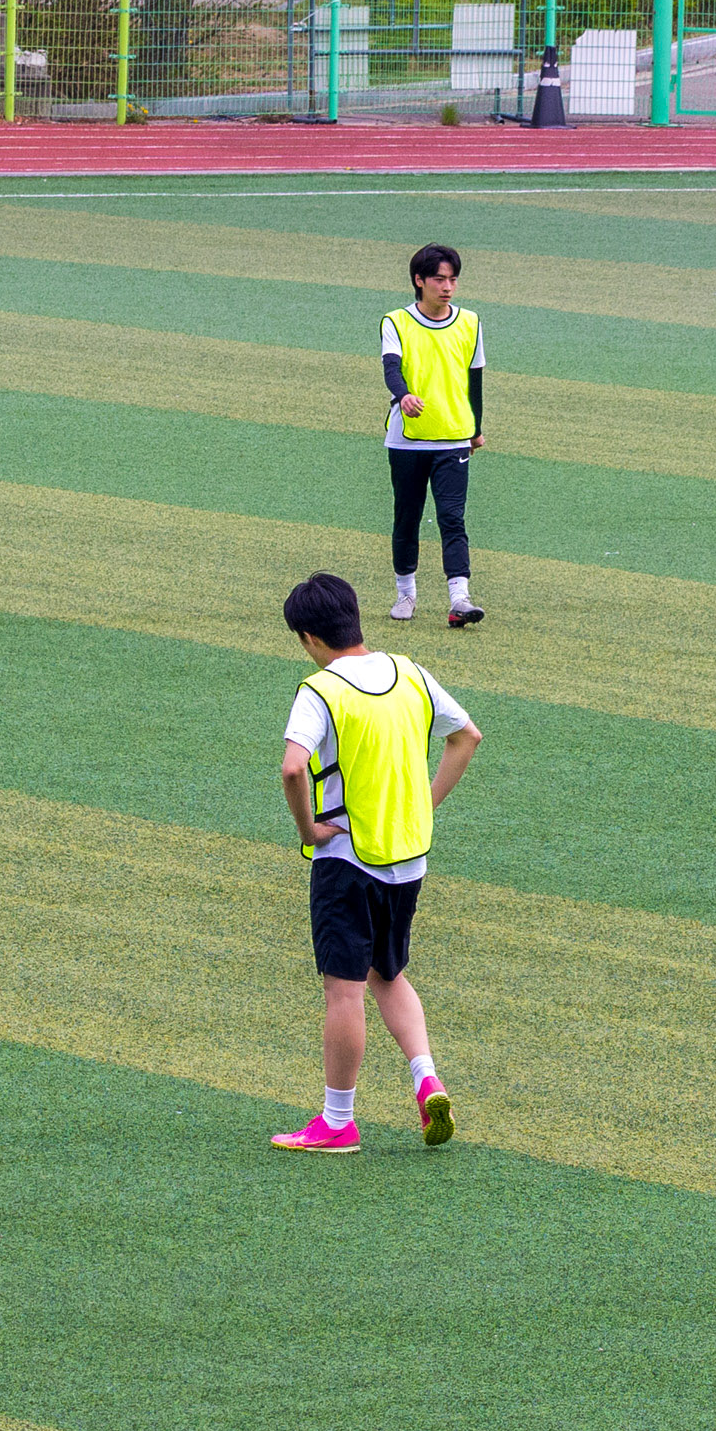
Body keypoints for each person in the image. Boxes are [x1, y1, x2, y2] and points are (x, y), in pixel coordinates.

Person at [272, 570, 480, 1154]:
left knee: (344, 990)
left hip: (347, 860)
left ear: (310, 639)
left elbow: (292, 767)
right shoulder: (409, 671)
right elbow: (467, 736)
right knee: (388, 973)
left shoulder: (321, 691)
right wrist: (424, 803)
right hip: (408, 857)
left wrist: (309, 828)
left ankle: (338, 1120)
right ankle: (426, 1080)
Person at [384, 243, 487, 629]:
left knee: (452, 518)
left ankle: (459, 597)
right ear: (419, 280)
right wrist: (403, 395)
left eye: (453, 279)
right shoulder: (395, 322)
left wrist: (475, 430)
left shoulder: (471, 322)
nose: (447, 287)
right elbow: (391, 367)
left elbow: (474, 380)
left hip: (453, 438)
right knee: (407, 517)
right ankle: (405, 593)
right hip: (407, 439)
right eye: (439, 279)